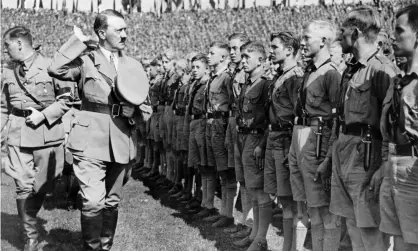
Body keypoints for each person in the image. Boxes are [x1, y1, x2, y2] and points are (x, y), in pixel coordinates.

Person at [48, 10, 147, 251]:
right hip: (90, 139)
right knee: (93, 201)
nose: (125, 34)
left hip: (121, 138)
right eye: (119, 30)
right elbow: (55, 69)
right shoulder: (85, 61)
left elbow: (146, 107)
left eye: (125, 29)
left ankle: (105, 247)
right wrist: (78, 42)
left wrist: (133, 113)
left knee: (111, 201)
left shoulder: (133, 65)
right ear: (102, 33)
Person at [330, 6, 396, 251]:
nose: (339, 36)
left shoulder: (381, 70)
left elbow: (392, 122)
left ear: (355, 32)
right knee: (353, 225)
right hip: (346, 150)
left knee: (370, 230)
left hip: (368, 155)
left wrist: (385, 164)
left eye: (343, 30)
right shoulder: (351, 69)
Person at [1, 26, 71, 251]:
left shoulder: (52, 66)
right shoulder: (7, 70)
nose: (5, 51)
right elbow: (3, 106)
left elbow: (66, 100)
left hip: (45, 135)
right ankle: (30, 237)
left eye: (7, 45)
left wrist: (43, 114)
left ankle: (30, 218)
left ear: (20, 43)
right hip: (17, 133)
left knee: (41, 187)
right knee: (22, 185)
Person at [289, 20, 341, 251]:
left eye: (307, 37)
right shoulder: (311, 71)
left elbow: (338, 118)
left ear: (323, 41)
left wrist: (328, 155)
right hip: (303, 136)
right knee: (312, 205)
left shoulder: (331, 74)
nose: (302, 42)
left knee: (325, 207)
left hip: (319, 139)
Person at [380, 4, 418, 251]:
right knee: (400, 241)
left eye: (400, 30)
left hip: (414, 170)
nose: (393, 37)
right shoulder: (399, 80)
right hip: (395, 164)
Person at [264, 31, 303, 251]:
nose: (271, 51)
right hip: (276, 137)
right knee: (283, 198)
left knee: (290, 201)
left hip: (287, 139)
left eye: (274, 47)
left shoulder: (294, 76)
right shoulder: (281, 75)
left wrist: (292, 148)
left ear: (289, 50)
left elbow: (299, 113)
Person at [233, 41, 271, 251]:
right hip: (244, 137)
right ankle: (255, 234)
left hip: (256, 138)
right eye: (243, 56)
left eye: (248, 56)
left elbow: (269, 118)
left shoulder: (265, 84)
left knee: (260, 191)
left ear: (261, 60)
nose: (244, 60)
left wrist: (262, 144)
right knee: (252, 190)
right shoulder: (248, 82)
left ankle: (261, 239)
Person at [223, 33, 253, 239]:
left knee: (248, 180)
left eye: (236, 49)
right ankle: (243, 222)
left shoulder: (249, 74)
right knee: (239, 176)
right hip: (235, 123)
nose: (233, 53)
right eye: (231, 49)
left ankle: (250, 225)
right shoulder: (234, 73)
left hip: (247, 127)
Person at [203, 41, 235, 227]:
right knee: (220, 170)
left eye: (212, 52)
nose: (208, 55)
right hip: (212, 123)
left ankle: (228, 213)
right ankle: (224, 211)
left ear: (223, 57)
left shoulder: (227, 78)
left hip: (222, 125)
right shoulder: (214, 77)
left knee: (226, 171)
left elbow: (233, 103)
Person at [187, 54, 210, 215]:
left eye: (198, 67)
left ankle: (204, 201)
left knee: (204, 163)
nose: (194, 70)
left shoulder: (207, 84)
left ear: (206, 69)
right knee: (196, 162)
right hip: (194, 122)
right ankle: (198, 197)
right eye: (193, 67)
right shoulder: (195, 84)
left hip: (202, 122)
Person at [159, 49, 179, 189]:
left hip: (172, 110)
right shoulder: (167, 77)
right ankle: (167, 175)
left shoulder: (175, 77)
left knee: (172, 145)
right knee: (165, 144)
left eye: (167, 62)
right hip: (165, 109)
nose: (164, 64)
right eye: (163, 62)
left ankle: (173, 178)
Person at [169, 59, 189, 196]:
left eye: (177, 70)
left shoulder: (187, 85)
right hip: (178, 118)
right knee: (178, 153)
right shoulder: (180, 84)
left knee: (184, 155)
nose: (175, 72)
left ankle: (185, 187)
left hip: (184, 119)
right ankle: (178, 183)